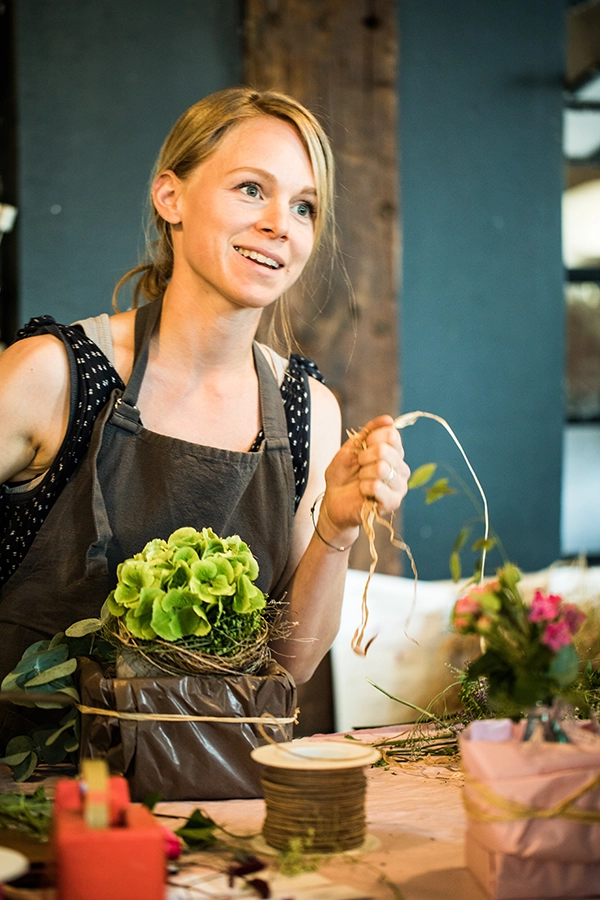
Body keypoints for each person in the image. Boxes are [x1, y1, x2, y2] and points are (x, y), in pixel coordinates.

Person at [0, 87, 409, 708]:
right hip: (37, 792)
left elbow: (290, 667)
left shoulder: (308, 412)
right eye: (251, 189)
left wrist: (336, 529)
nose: (279, 225)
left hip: (220, 785)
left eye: (305, 207)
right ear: (172, 197)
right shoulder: (55, 375)